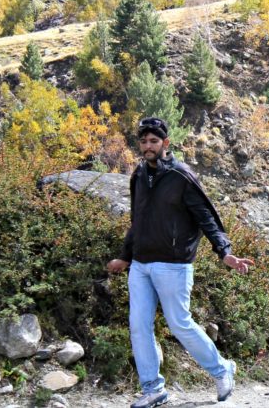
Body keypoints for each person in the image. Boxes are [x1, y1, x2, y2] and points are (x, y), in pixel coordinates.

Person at [106, 117, 254, 408]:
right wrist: (125, 256)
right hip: (141, 266)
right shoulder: (139, 175)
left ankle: (222, 369)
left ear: (166, 143)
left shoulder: (181, 175)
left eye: (154, 141)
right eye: (144, 141)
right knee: (139, 327)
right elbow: (137, 220)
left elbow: (207, 217)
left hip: (173, 264)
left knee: (179, 324)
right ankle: (153, 389)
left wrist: (224, 251)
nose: (148, 146)